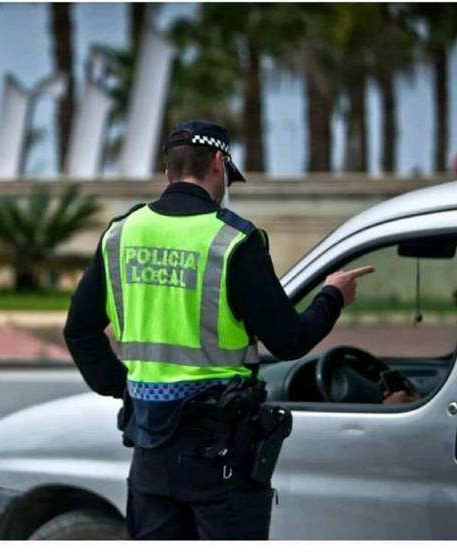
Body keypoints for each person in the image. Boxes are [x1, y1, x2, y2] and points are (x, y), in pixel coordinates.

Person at [63, 120, 374, 540]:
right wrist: (332, 296)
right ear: (218, 163)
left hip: (149, 448)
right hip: (218, 456)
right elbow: (289, 340)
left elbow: (80, 332)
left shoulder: (121, 233)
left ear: (167, 171)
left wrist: (125, 387)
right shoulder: (233, 240)